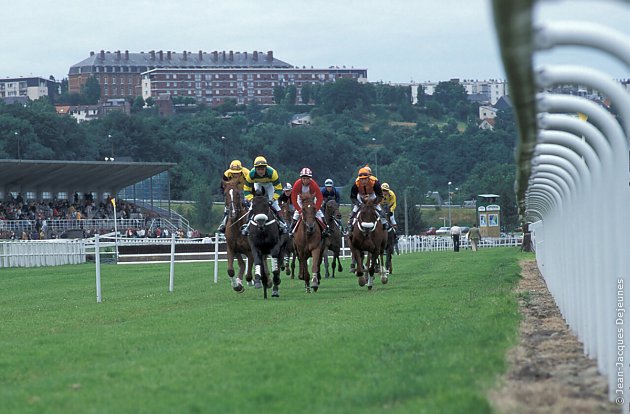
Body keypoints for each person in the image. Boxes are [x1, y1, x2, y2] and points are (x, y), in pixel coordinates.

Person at [242, 156, 288, 235]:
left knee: (275, 204)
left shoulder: (272, 173)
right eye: (258, 169)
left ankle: (282, 223)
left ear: (266, 168)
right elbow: (246, 189)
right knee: (253, 205)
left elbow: (278, 189)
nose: (260, 171)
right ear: (255, 169)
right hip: (258, 184)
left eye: (262, 169)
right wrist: (251, 199)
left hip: (270, 185)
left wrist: (272, 200)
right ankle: (247, 225)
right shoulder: (251, 174)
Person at [347, 166, 388, 232]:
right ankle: (350, 224)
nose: (363, 181)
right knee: (355, 210)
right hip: (361, 196)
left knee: (380, 210)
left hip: (372, 196)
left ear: (369, 178)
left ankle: (384, 223)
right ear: (359, 178)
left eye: (365, 179)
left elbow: (380, 195)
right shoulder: (356, 183)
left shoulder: (375, 182)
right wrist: (359, 204)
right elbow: (353, 197)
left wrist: (375, 202)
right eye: (361, 179)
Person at [290, 167, 328, 236]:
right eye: (304, 178)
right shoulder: (297, 184)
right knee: (296, 214)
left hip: (312, 200)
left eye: (307, 179)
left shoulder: (314, 184)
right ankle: (291, 230)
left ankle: (325, 228)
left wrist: (316, 209)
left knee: (320, 214)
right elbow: (293, 198)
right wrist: (299, 210)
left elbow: (319, 198)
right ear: (301, 178)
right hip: (301, 200)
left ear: (310, 178)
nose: (305, 180)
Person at [217, 159, 250, 233]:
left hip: (246, 190)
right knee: (227, 208)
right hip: (233, 191)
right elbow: (222, 187)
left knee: (249, 205)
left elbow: (252, 186)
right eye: (234, 173)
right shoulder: (226, 174)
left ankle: (251, 222)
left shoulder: (247, 173)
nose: (236, 175)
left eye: (237, 173)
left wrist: (248, 198)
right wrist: (226, 196)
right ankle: (223, 224)